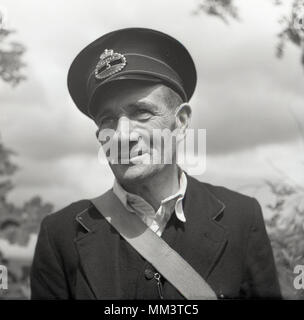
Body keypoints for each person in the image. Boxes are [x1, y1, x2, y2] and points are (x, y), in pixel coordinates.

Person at [30, 28, 281, 300]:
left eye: (141, 113)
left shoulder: (241, 218)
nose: (122, 135)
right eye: (107, 119)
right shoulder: (61, 234)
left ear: (181, 122)